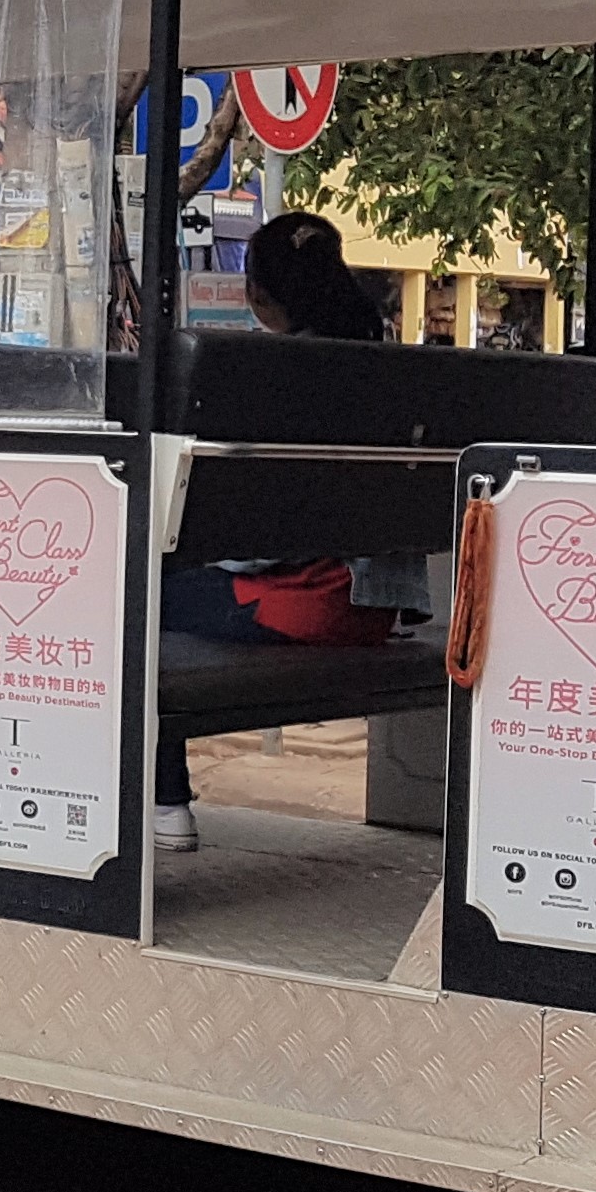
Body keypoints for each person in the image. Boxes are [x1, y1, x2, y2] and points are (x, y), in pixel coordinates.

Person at [154, 210, 421, 853]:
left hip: (300, 607)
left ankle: (166, 804)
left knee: (127, 598)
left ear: (259, 295)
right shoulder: (388, 372)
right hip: (373, 609)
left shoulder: (273, 377)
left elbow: (252, 545)